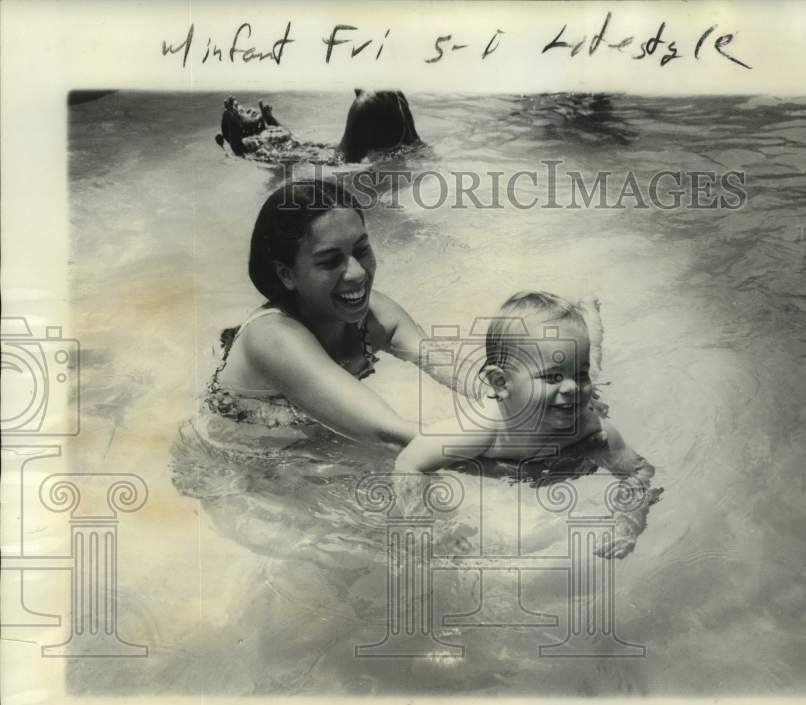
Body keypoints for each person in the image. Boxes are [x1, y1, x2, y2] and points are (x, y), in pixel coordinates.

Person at [394, 291, 659, 557]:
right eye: (552, 377)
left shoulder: (590, 428)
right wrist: (424, 529)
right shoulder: (482, 428)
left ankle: (590, 312)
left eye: (578, 375)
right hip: (508, 405)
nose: (572, 387)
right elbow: (410, 464)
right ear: (500, 382)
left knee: (595, 366)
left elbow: (638, 472)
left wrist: (628, 523)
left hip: (538, 406)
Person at [207, 178, 455, 444]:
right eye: (330, 261)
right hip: (236, 469)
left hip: (309, 450)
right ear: (286, 274)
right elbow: (390, 431)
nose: (358, 272)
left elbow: (461, 372)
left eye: (361, 250)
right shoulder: (272, 337)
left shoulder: (376, 316)